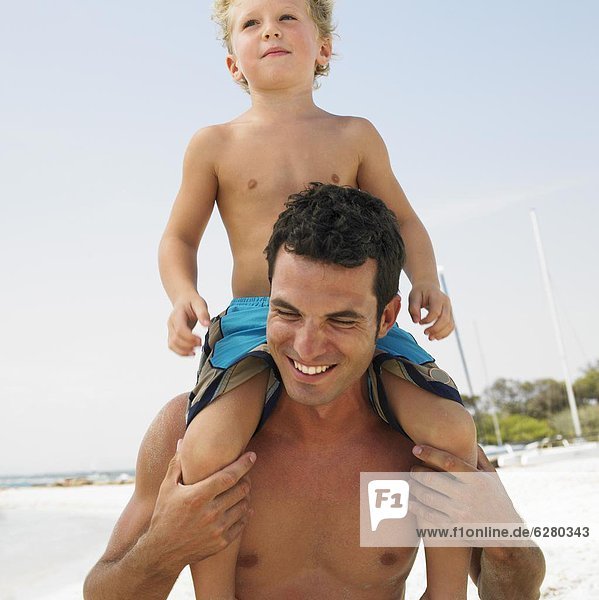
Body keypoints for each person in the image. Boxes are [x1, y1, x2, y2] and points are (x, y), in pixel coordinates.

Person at [85, 186, 544, 599]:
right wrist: (162, 550)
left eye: (341, 320)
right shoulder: (187, 435)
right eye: (287, 313)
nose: (306, 347)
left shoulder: (419, 442)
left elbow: (511, 593)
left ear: (386, 319)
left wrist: (505, 537)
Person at [158, 0, 475, 596]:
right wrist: (182, 295)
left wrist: (426, 279)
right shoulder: (214, 143)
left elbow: (403, 221)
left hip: (357, 316)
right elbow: (178, 236)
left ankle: (449, 590)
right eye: (251, 22)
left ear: (323, 49)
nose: (270, 29)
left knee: (452, 428)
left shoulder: (353, 134)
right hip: (257, 319)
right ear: (233, 63)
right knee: (207, 443)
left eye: (287, 17)